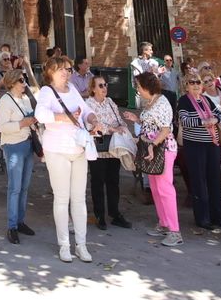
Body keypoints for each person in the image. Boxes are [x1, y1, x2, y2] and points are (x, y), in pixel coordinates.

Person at [34, 55, 92, 263]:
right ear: (51, 72)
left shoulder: (73, 90)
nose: (66, 73)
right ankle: (64, 245)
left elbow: (84, 110)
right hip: (57, 149)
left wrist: (92, 118)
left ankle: (82, 245)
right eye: (61, 69)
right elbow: (40, 114)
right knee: (62, 198)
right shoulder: (47, 92)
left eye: (68, 70)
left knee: (79, 198)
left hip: (78, 148)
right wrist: (63, 118)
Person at [123, 72, 180, 245]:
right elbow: (151, 122)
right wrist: (136, 118)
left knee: (165, 188)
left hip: (162, 150)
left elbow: (165, 129)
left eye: (139, 86)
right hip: (152, 150)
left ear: (147, 86)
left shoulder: (161, 102)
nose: (138, 90)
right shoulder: (152, 102)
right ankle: (164, 223)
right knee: (156, 188)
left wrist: (153, 145)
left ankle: (175, 231)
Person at [176, 70, 221, 233]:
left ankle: (217, 216)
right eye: (192, 82)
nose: (196, 85)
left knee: (214, 180)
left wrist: (215, 119)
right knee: (199, 181)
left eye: (198, 82)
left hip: (212, 145)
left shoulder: (206, 100)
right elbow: (184, 120)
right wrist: (203, 121)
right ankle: (202, 218)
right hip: (195, 146)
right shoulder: (184, 101)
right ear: (186, 86)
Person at [85, 74, 131, 230]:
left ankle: (114, 213)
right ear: (93, 89)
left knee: (113, 181)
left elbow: (118, 119)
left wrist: (123, 127)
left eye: (105, 85)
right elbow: (94, 125)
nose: (104, 88)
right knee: (98, 182)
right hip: (99, 147)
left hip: (114, 146)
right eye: (100, 86)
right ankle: (99, 215)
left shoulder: (110, 102)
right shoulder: (88, 104)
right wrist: (111, 129)